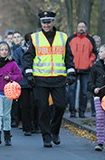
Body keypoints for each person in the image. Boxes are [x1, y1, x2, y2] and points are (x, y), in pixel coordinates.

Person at [23, 11, 75, 148]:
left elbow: (69, 56)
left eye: (49, 21)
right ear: (41, 23)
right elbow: (28, 57)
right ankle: (46, 136)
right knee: (43, 108)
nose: (46, 24)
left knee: (60, 106)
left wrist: (71, 72)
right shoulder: (34, 38)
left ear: (53, 22)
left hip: (58, 78)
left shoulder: (63, 37)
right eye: (44, 22)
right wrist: (28, 73)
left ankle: (55, 131)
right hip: (40, 79)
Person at [0, 42, 22, 147]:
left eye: (6, 50)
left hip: (9, 91)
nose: (4, 52)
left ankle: (7, 136)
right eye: (2, 50)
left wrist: (11, 77)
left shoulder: (12, 63)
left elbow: (20, 76)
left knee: (7, 114)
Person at [67, 21, 97, 118]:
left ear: (86, 28)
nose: (81, 28)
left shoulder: (90, 39)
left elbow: (94, 53)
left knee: (84, 92)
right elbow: (66, 53)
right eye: (79, 26)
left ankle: (82, 111)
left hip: (86, 69)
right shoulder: (71, 39)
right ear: (76, 28)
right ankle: (72, 111)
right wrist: (69, 65)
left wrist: (90, 63)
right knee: (71, 90)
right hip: (73, 68)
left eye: (83, 27)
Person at [13, 32, 34, 136]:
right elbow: (16, 65)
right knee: (25, 105)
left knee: (36, 104)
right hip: (23, 82)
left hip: (36, 80)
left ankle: (36, 125)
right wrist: (26, 70)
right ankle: (27, 127)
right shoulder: (18, 51)